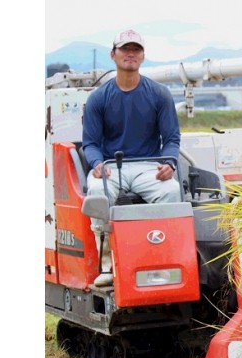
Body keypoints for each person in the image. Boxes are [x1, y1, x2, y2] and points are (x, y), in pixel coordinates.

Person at [82, 29, 182, 287]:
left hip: (149, 166)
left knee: (171, 192)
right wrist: (96, 164)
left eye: (136, 49)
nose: (130, 53)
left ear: (143, 56)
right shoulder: (98, 98)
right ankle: (107, 267)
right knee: (97, 193)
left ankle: (164, 259)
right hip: (111, 167)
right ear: (113, 54)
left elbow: (171, 139)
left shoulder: (159, 94)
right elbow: (90, 144)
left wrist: (169, 163)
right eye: (125, 49)